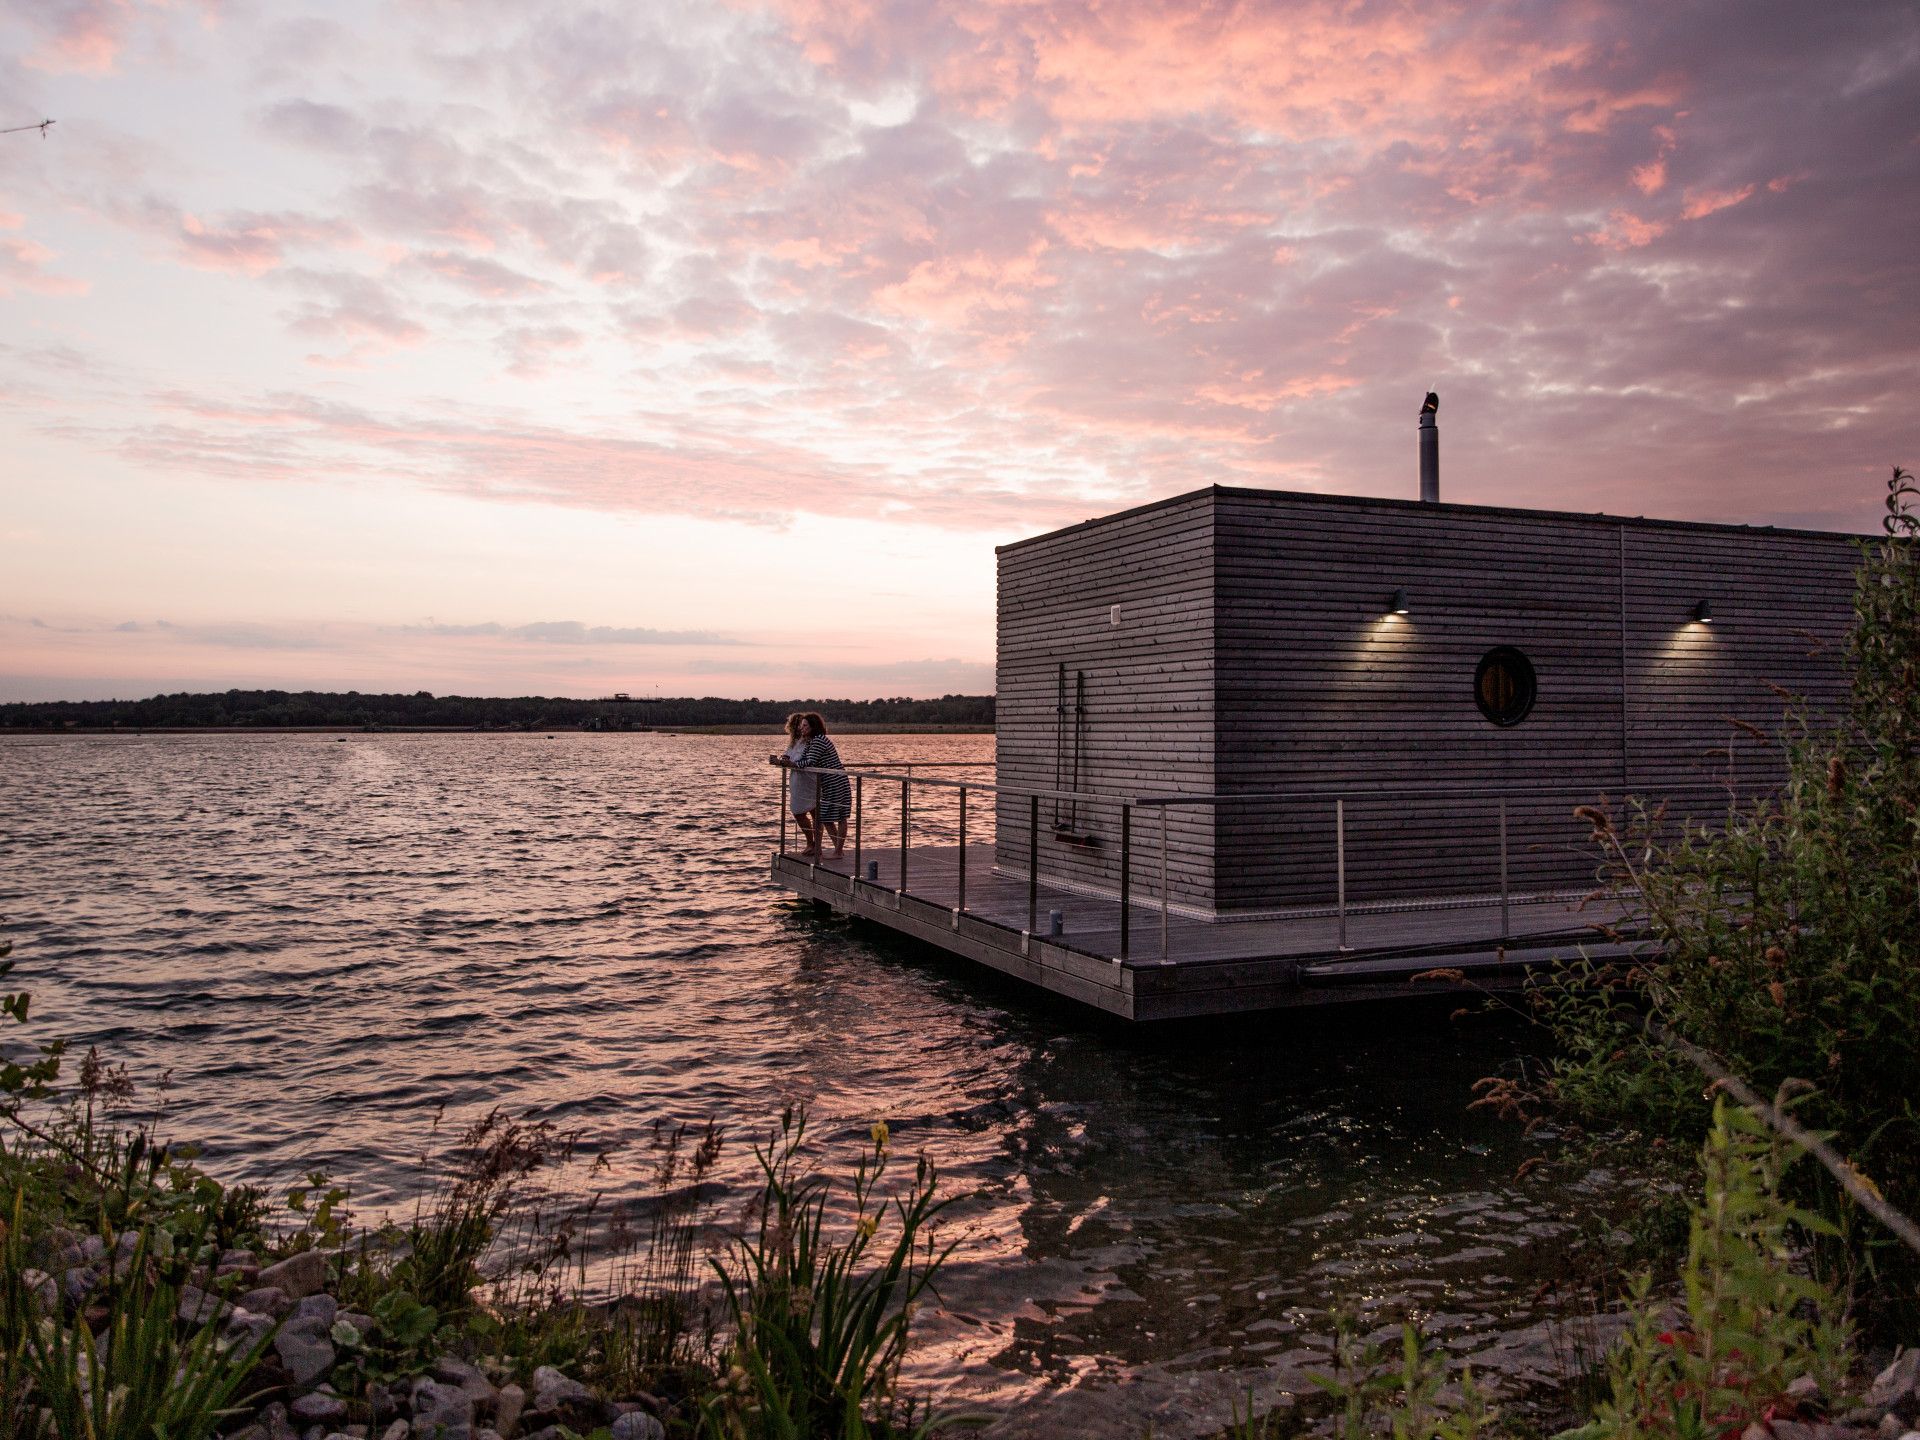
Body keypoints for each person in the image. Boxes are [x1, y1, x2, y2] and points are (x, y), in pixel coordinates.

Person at [797, 712, 851, 860]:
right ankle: (838, 850)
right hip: (829, 781)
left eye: (805, 726)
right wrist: (790, 761)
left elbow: (810, 761)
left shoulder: (819, 740)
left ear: (813, 726)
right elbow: (803, 759)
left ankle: (838, 851)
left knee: (837, 816)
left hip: (835, 780)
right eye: (801, 726)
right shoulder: (811, 741)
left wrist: (792, 764)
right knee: (828, 817)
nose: (802, 729)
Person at [770, 712, 819, 857]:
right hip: (797, 781)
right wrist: (780, 761)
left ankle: (816, 844)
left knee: (812, 812)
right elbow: (789, 757)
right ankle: (811, 842)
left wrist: (790, 762)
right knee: (799, 812)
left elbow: (803, 760)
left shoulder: (810, 741)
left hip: (808, 780)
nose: (799, 729)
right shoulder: (795, 742)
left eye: (802, 725)